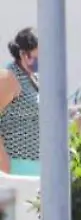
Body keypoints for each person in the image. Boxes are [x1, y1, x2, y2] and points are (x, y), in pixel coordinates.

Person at [0, 29, 38, 175]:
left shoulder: (34, 78)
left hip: (37, 166)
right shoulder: (9, 77)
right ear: (24, 54)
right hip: (17, 165)